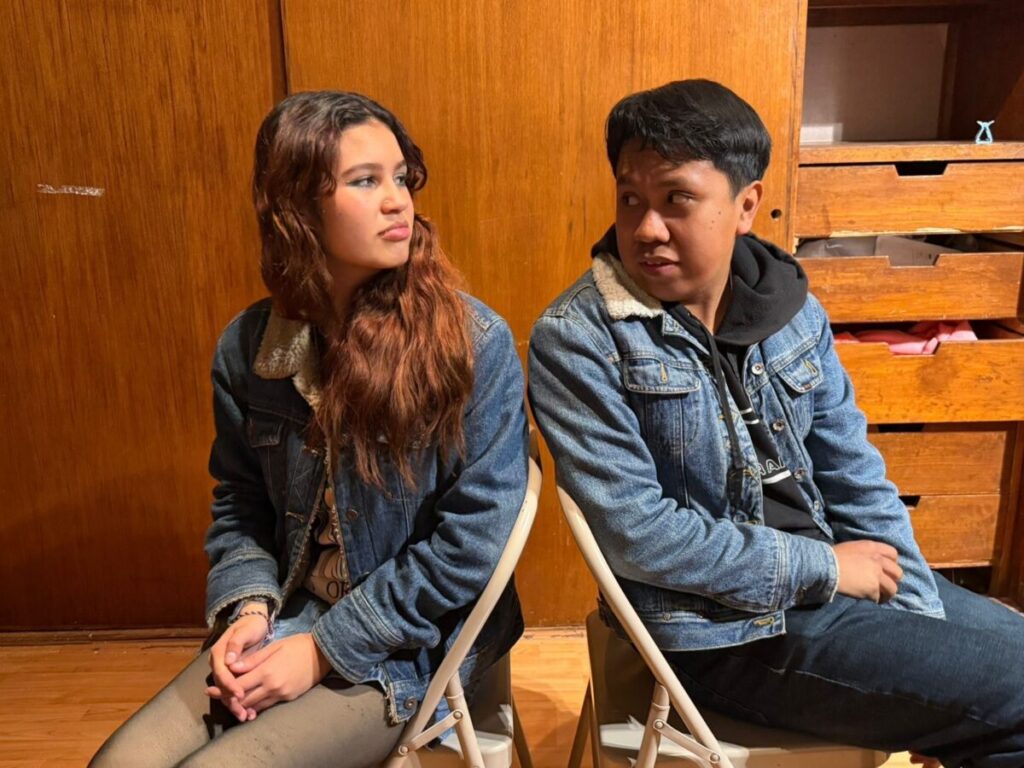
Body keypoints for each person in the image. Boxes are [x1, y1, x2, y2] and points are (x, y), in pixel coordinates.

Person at [528, 79, 1024, 766]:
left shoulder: (791, 309)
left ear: (746, 205)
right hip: (713, 633)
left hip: (836, 593)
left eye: (676, 199)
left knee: (1006, 679)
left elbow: (854, 475)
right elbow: (640, 535)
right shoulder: (580, 337)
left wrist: (914, 616)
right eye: (630, 198)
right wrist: (823, 568)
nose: (645, 228)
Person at [91, 91, 529, 767]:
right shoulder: (250, 347)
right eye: (365, 181)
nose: (398, 201)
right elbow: (241, 505)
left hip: (413, 642)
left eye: (400, 177)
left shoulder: (470, 344)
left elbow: (472, 546)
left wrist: (322, 650)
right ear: (297, 208)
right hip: (289, 613)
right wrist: (247, 610)